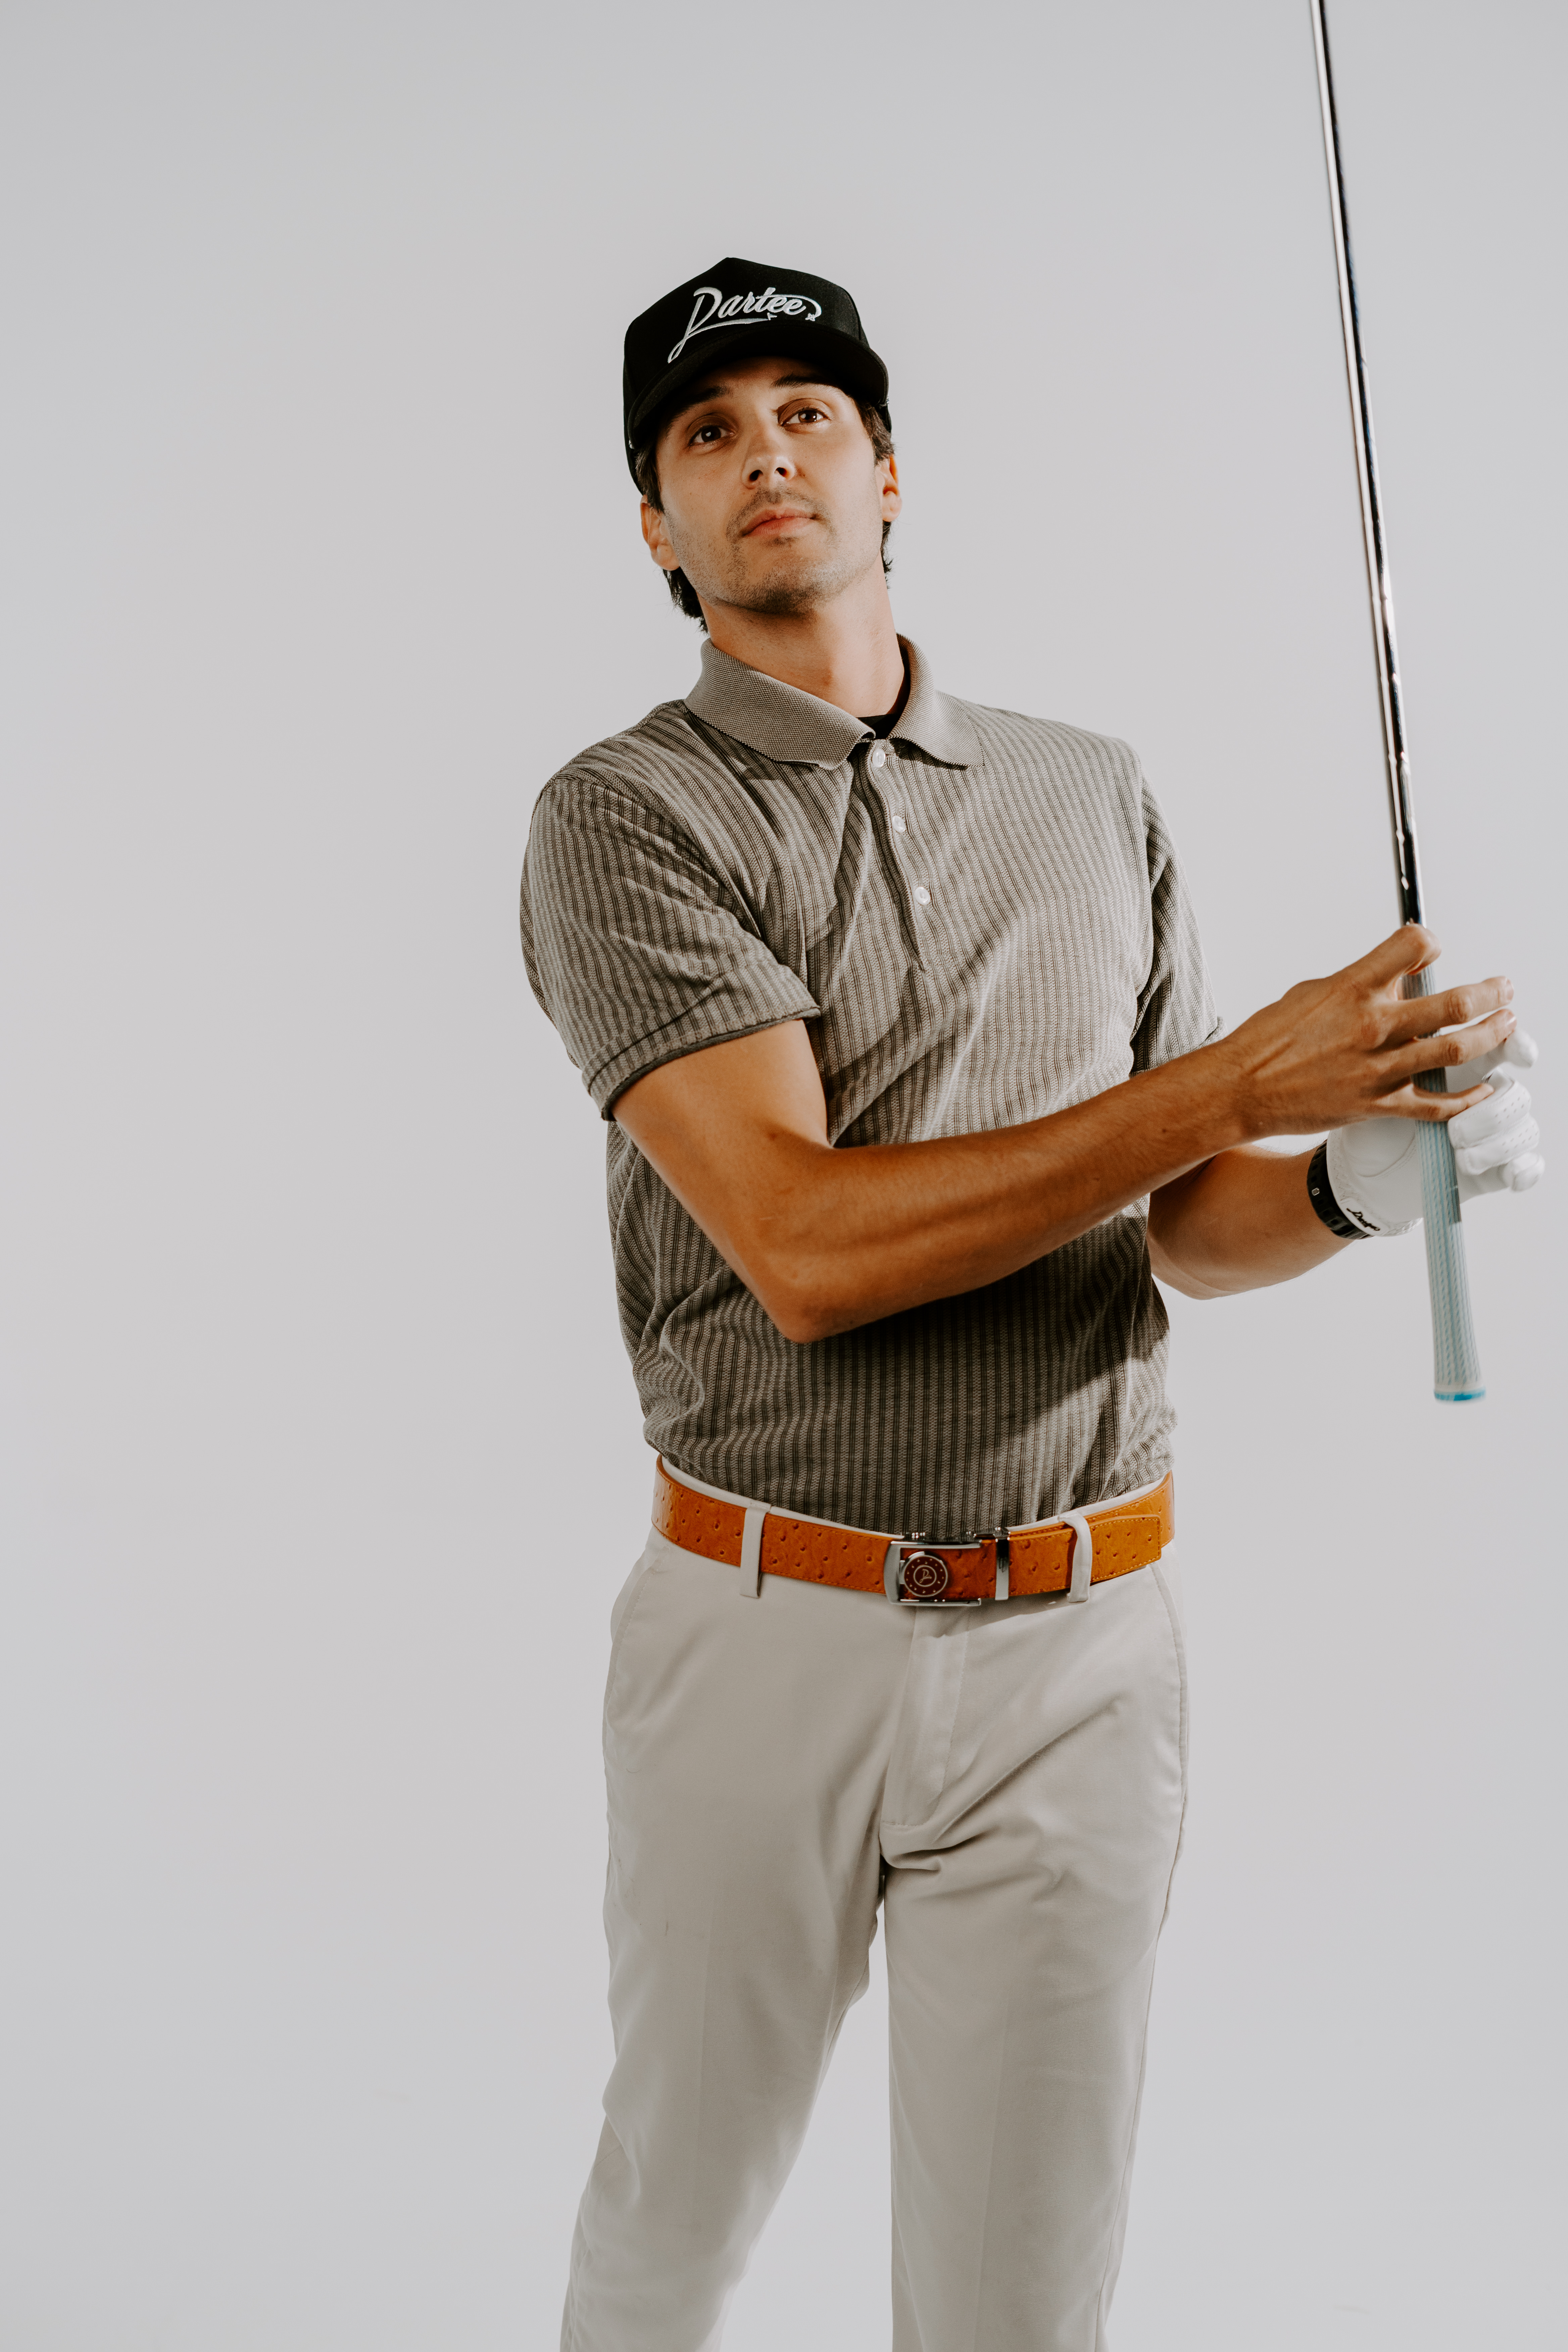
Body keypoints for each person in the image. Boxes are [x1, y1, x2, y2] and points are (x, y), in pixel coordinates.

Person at [519, 258, 1543, 2351]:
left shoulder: (1095, 794)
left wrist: (1355, 1174)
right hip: (762, 1638)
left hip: (1087, 1645)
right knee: (672, 2231)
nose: (765, 455)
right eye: (706, 435)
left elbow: (1183, 1219)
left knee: (1022, 2304)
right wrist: (1241, 1077)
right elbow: (805, 1246)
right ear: (659, 528)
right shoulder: (626, 818)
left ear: (890, 466)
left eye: (808, 410)